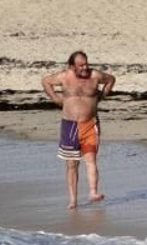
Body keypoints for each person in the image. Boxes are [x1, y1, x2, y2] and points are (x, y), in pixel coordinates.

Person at [41, 51, 115, 209]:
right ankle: (73, 200)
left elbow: (111, 79)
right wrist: (55, 98)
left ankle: (93, 192)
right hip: (70, 126)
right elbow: (46, 81)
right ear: (72, 66)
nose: (85, 67)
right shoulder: (64, 77)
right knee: (72, 165)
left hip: (90, 124)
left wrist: (103, 95)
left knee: (91, 160)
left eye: (86, 63)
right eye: (81, 65)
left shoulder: (95, 75)